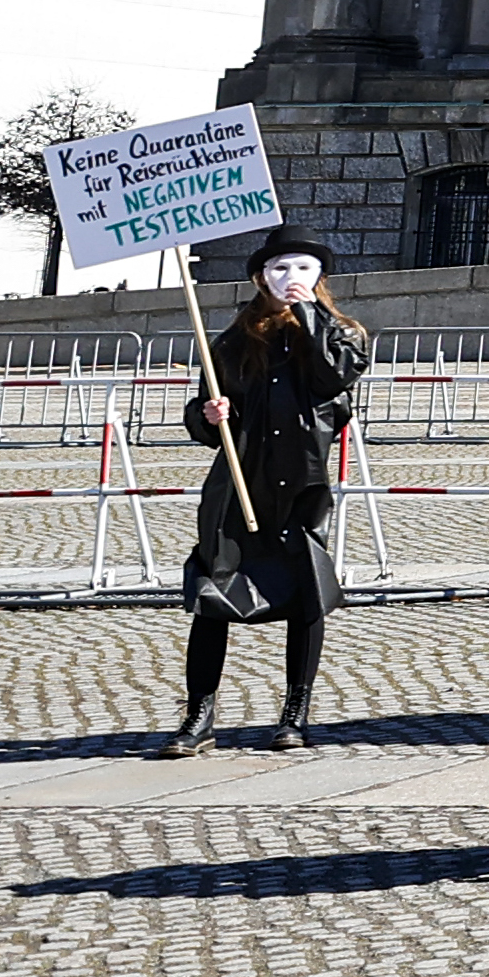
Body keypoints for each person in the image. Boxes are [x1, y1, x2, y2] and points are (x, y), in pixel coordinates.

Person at [157, 229, 370, 757]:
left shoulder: (343, 334)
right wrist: (208, 417)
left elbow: (333, 380)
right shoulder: (232, 341)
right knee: (213, 593)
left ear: (319, 277)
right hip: (240, 485)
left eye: (302, 269)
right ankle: (199, 714)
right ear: (259, 278)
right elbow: (203, 413)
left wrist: (312, 319)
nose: (290, 280)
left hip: (301, 482)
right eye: (279, 270)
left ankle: (295, 711)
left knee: (305, 595)